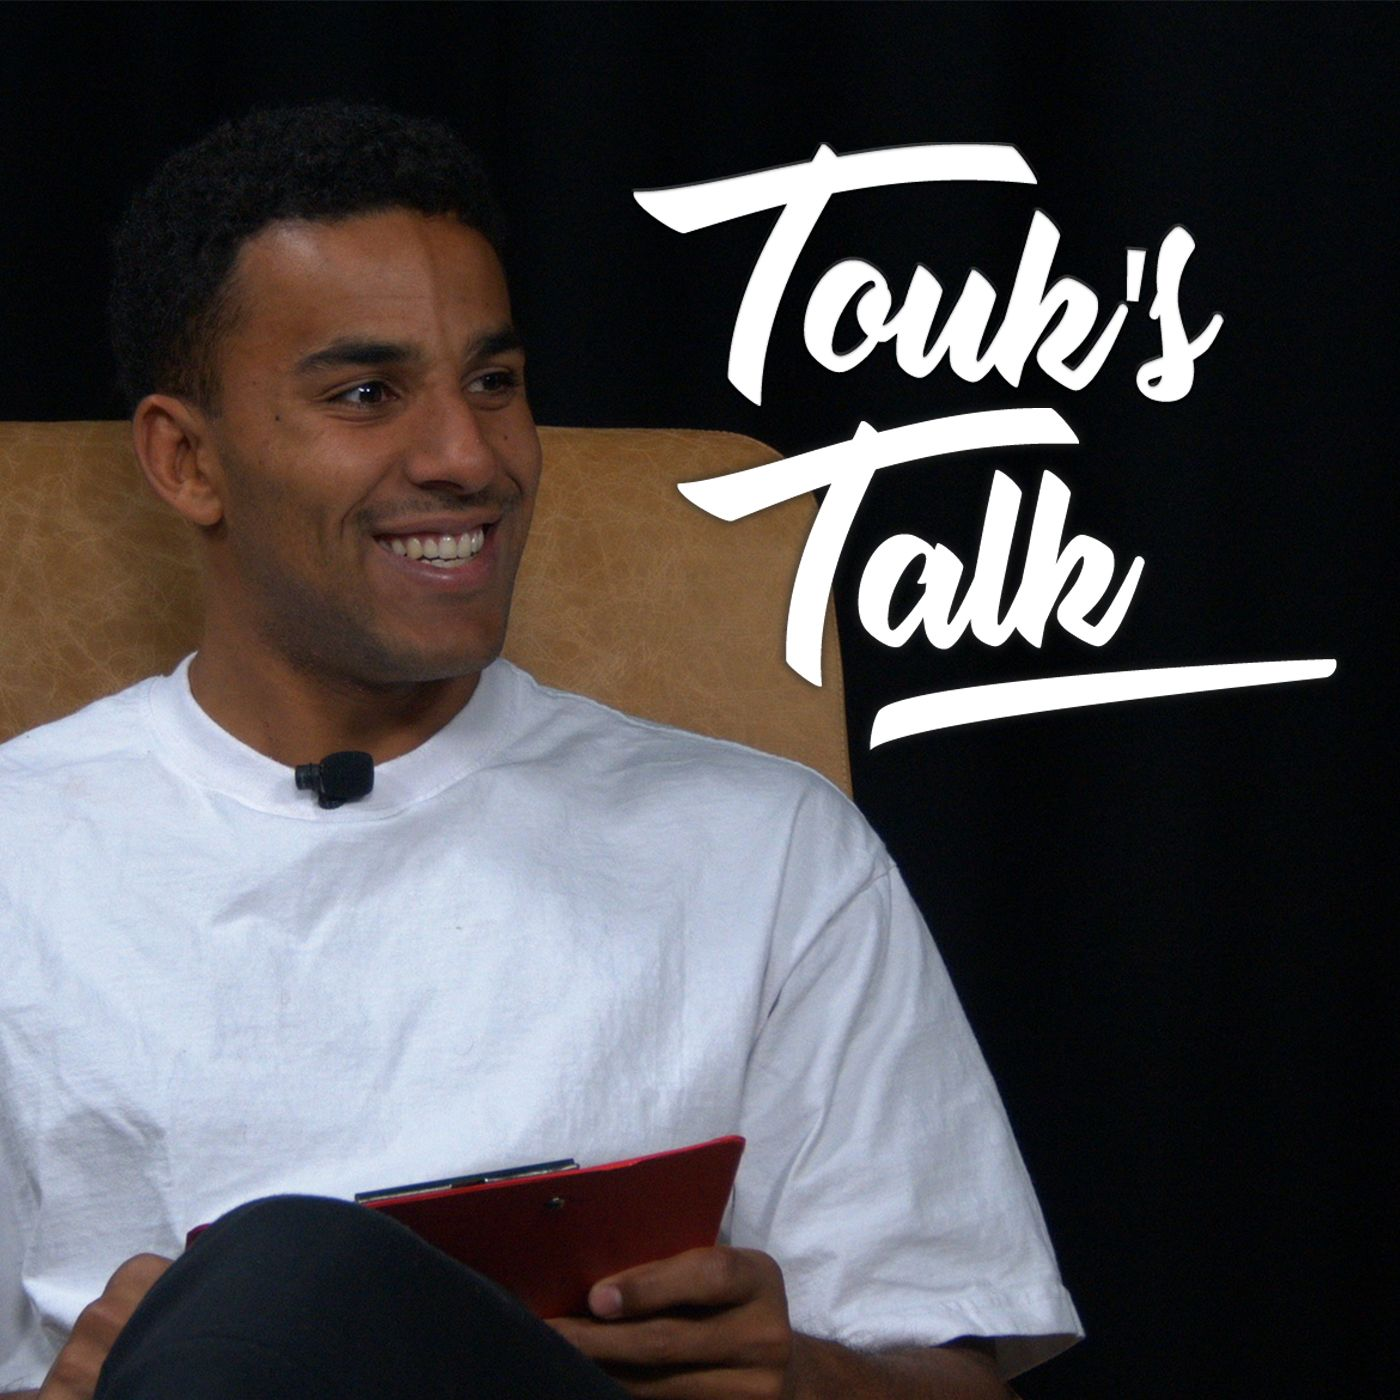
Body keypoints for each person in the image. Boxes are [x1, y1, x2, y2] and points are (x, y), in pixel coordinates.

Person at [0, 104, 1081, 1399]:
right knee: (278, 1280)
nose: (471, 457)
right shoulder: (26, 854)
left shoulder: (769, 850)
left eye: (494, 383)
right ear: (187, 461)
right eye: (366, 394)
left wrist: (795, 1377)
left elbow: (962, 1378)